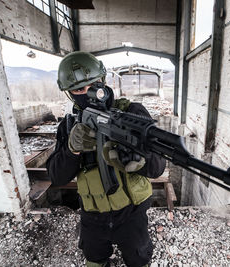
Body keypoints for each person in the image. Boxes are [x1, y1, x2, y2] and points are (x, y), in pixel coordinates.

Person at [46, 51, 166, 267]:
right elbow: (56, 176)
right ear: (69, 93)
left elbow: (157, 168)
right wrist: (72, 149)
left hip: (131, 212)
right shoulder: (68, 125)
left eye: (93, 85)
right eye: (78, 89)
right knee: (94, 260)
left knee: (139, 258)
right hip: (92, 215)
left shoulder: (132, 112)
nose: (88, 93)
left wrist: (138, 159)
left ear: (103, 80)